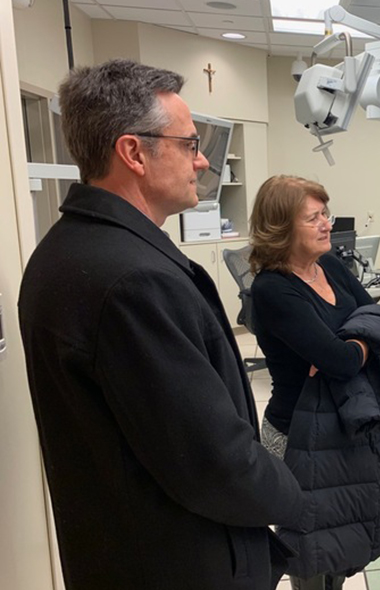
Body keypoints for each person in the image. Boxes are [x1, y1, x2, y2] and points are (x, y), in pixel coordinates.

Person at [18, 60, 308, 590]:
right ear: (133, 153)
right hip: (177, 560)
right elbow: (212, 460)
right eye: (189, 144)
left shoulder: (65, 250)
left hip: (124, 548)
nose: (201, 161)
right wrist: (295, 495)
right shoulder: (130, 280)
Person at [247, 175, 380, 590]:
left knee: (344, 540)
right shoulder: (272, 289)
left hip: (344, 426)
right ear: (281, 228)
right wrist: (357, 345)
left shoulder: (332, 267)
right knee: (312, 554)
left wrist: (355, 345)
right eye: (313, 218)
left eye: (326, 214)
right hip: (298, 435)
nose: (326, 224)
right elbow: (340, 361)